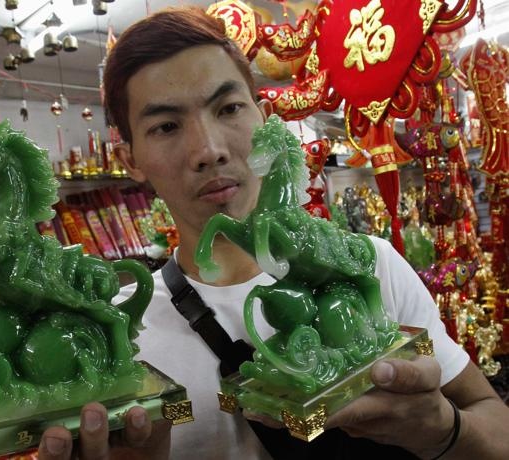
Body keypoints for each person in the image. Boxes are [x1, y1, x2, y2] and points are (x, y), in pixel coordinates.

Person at [38, 6, 509, 459]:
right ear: (130, 160)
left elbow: (496, 425)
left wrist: (444, 430)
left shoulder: (371, 263)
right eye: (165, 126)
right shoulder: (117, 334)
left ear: (264, 117)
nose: (209, 149)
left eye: (228, 108)